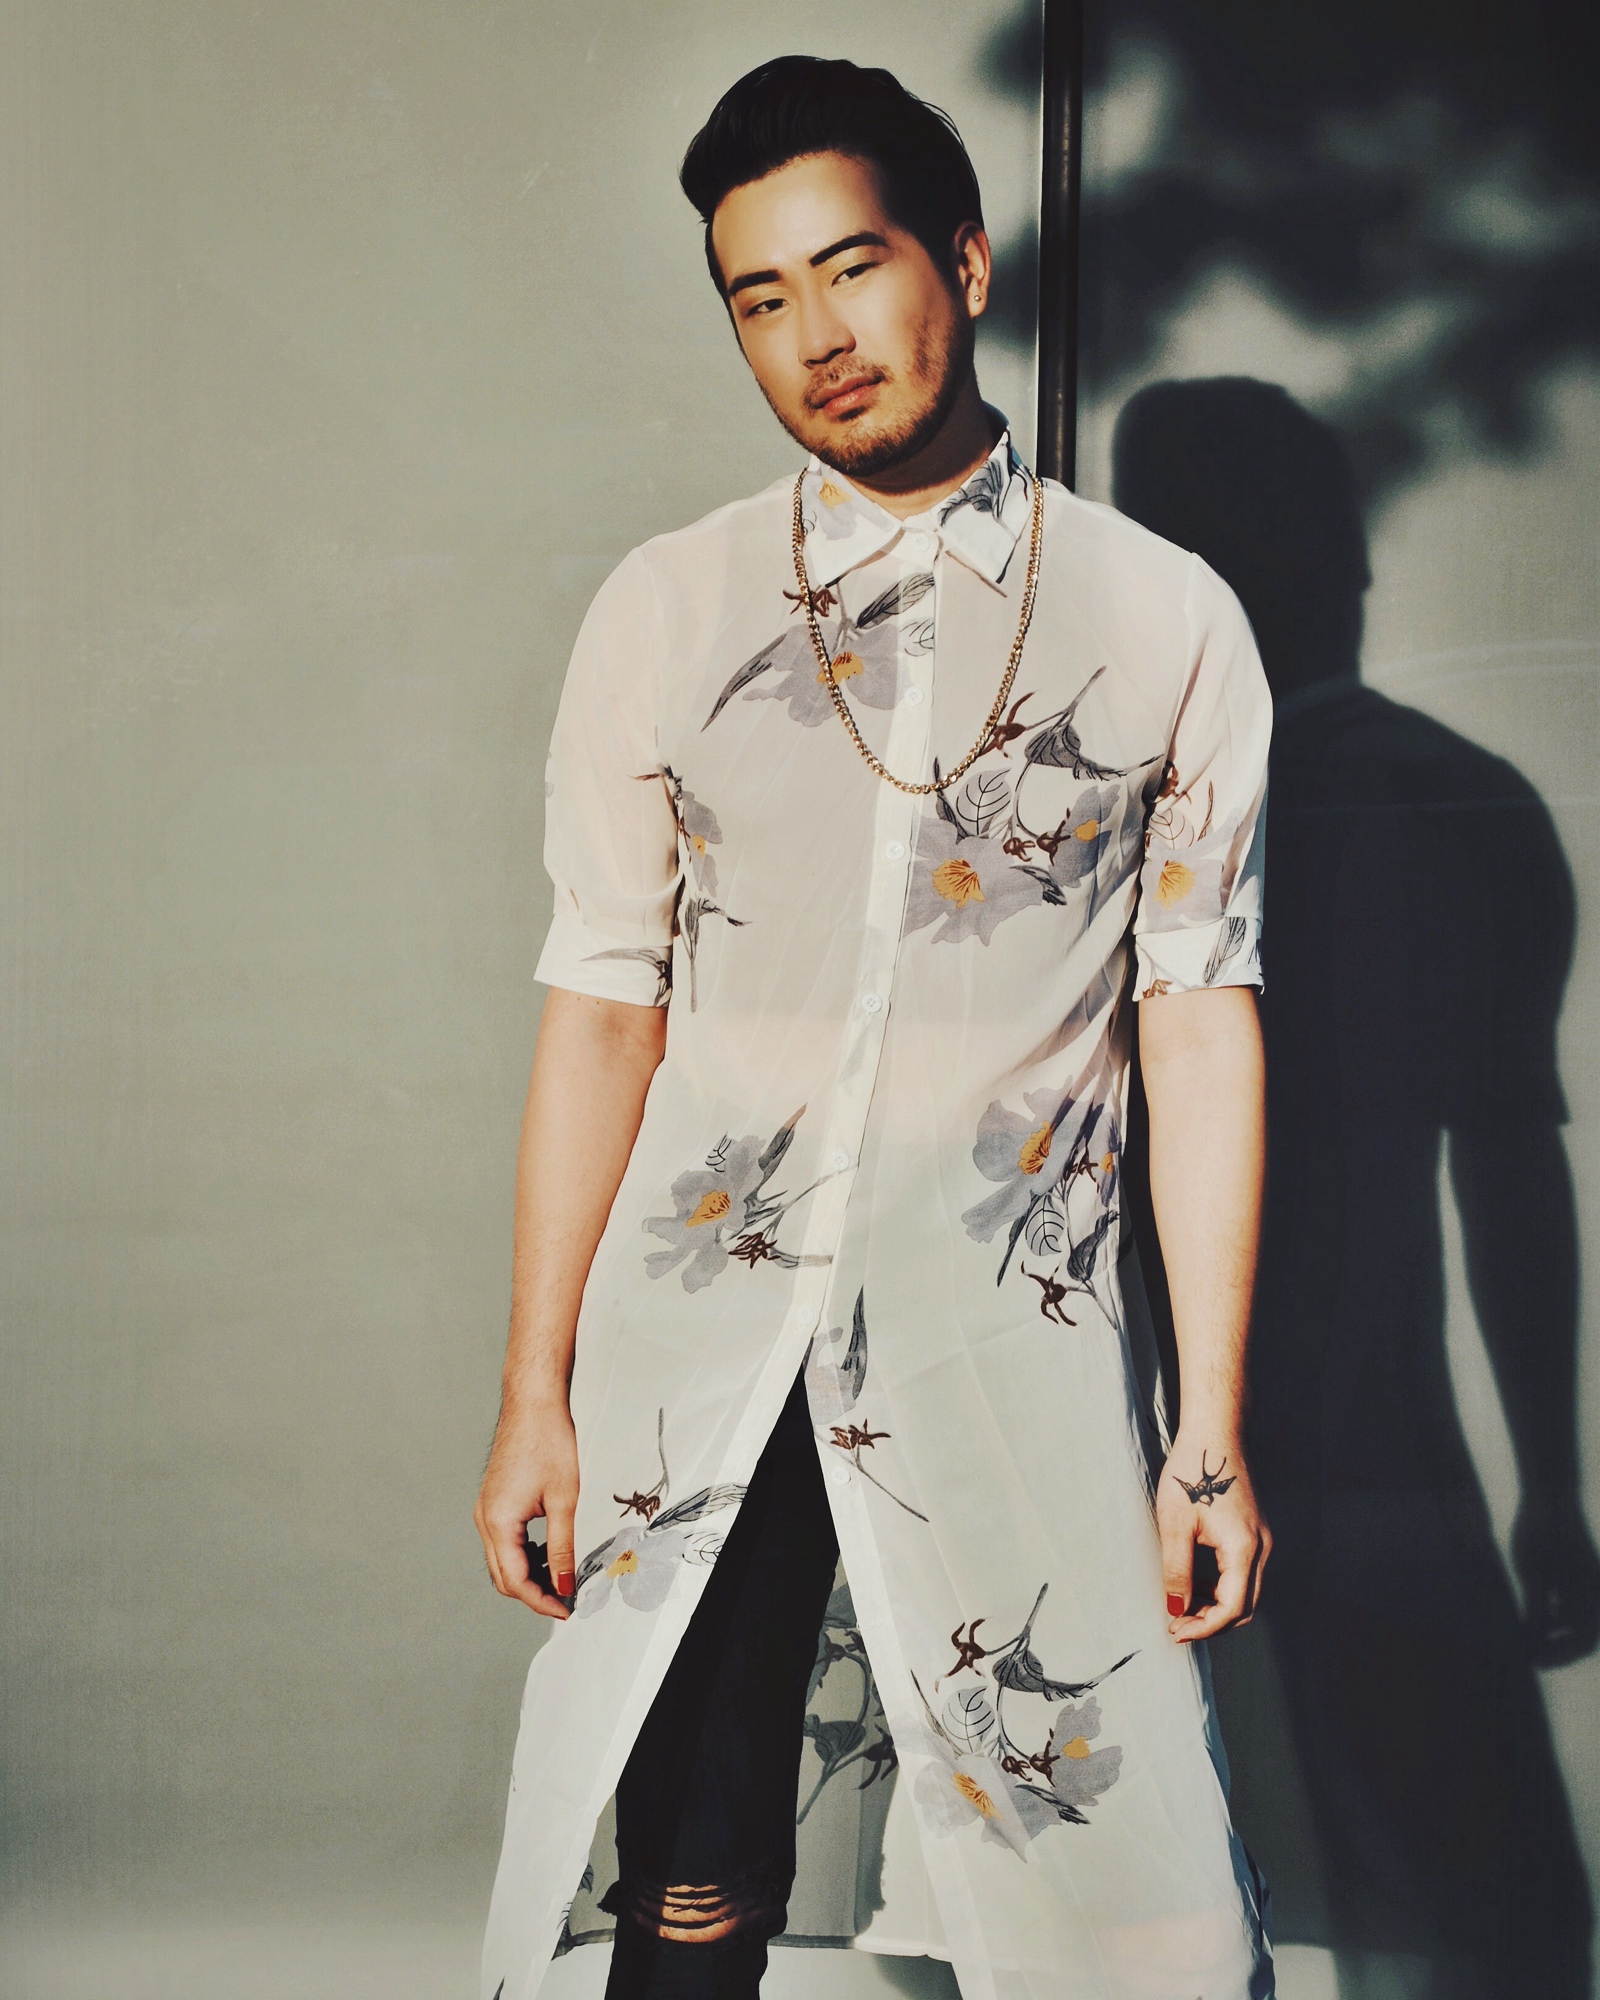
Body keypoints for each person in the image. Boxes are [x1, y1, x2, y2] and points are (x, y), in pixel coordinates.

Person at [476, 59, 1275, 2000]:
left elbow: (1194, 1020)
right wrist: (535, 1389)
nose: (815, 336)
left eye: (851, 269)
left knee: (1135, 1898)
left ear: (964, 264)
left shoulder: (1163, 618)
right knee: (690, 1880)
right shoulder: (665, 613)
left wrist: (1208, 1430)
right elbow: (601, 1004)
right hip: (710, 1354)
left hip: (1008, 1342)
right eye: (760, 298)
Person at [1112, 377, 1599, 2000]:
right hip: (1362, 1461)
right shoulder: (1442, 804)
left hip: (1164, 1443)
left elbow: (1510, 1174)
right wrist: (1549, 1489)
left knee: (1163, 1910)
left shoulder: (1107, 826)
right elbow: (1507, 1174)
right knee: (1461, 1924)